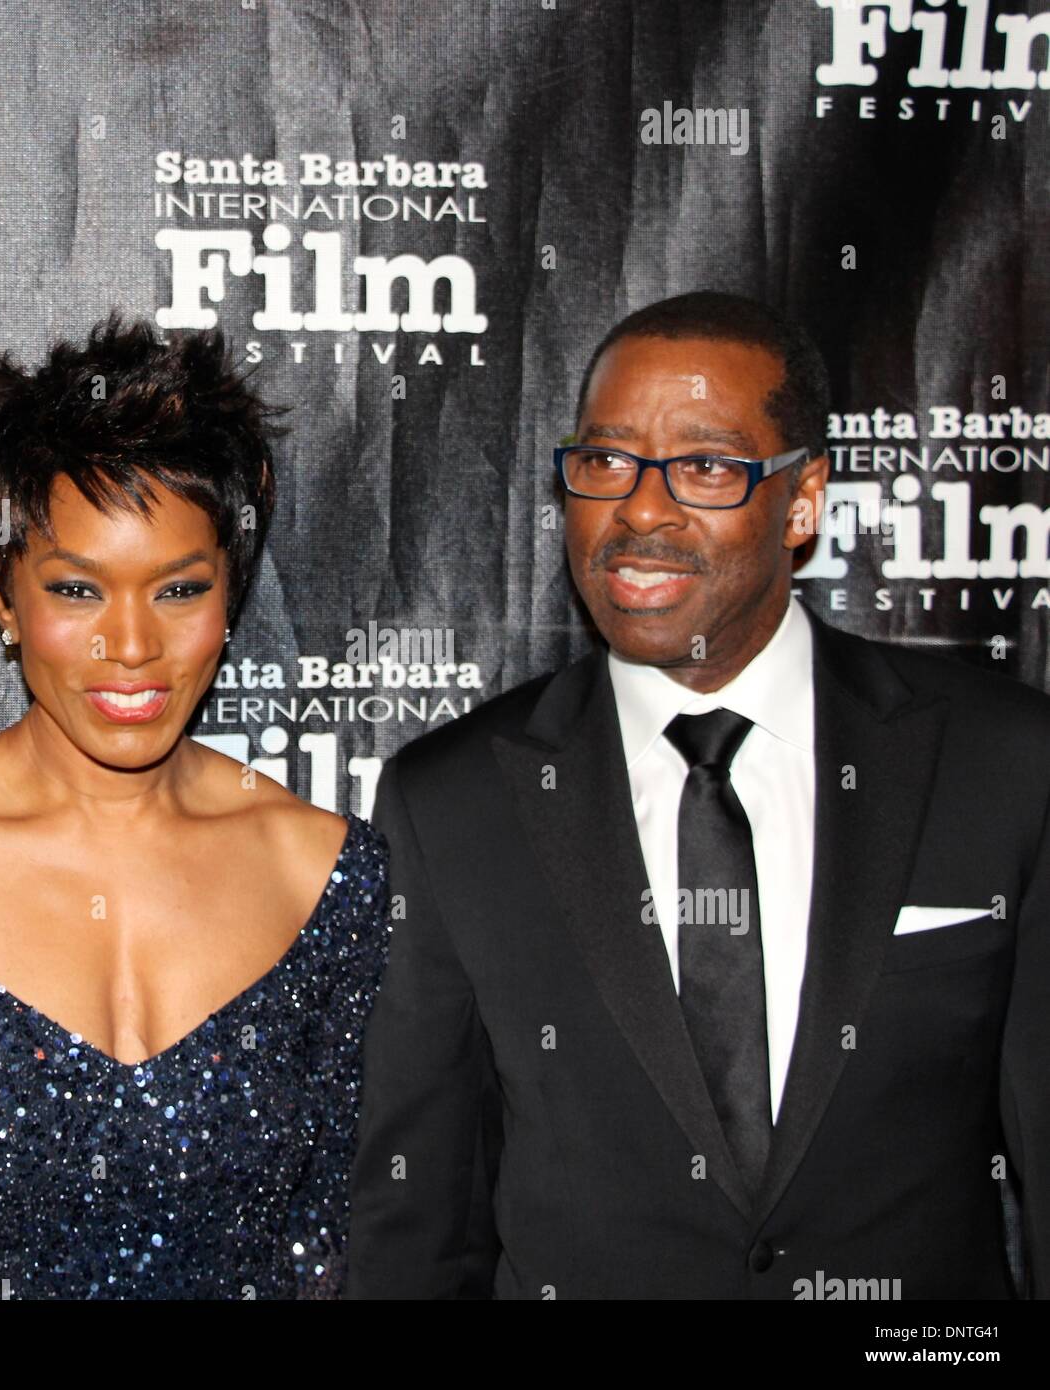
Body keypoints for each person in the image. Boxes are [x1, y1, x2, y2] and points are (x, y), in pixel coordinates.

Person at [346, 290, 1050, 1300]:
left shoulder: (1003, 765)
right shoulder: (452, 802)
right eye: (604, 461)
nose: (638, 508)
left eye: (706, 467)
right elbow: (417, 1223)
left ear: (802, 499)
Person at [0, 313, 391, 1300]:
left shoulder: (331, 877)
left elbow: (328, 1256)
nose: (132, 645)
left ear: (231, 593)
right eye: (78, 590)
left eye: (179, 589)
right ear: (2, 595)